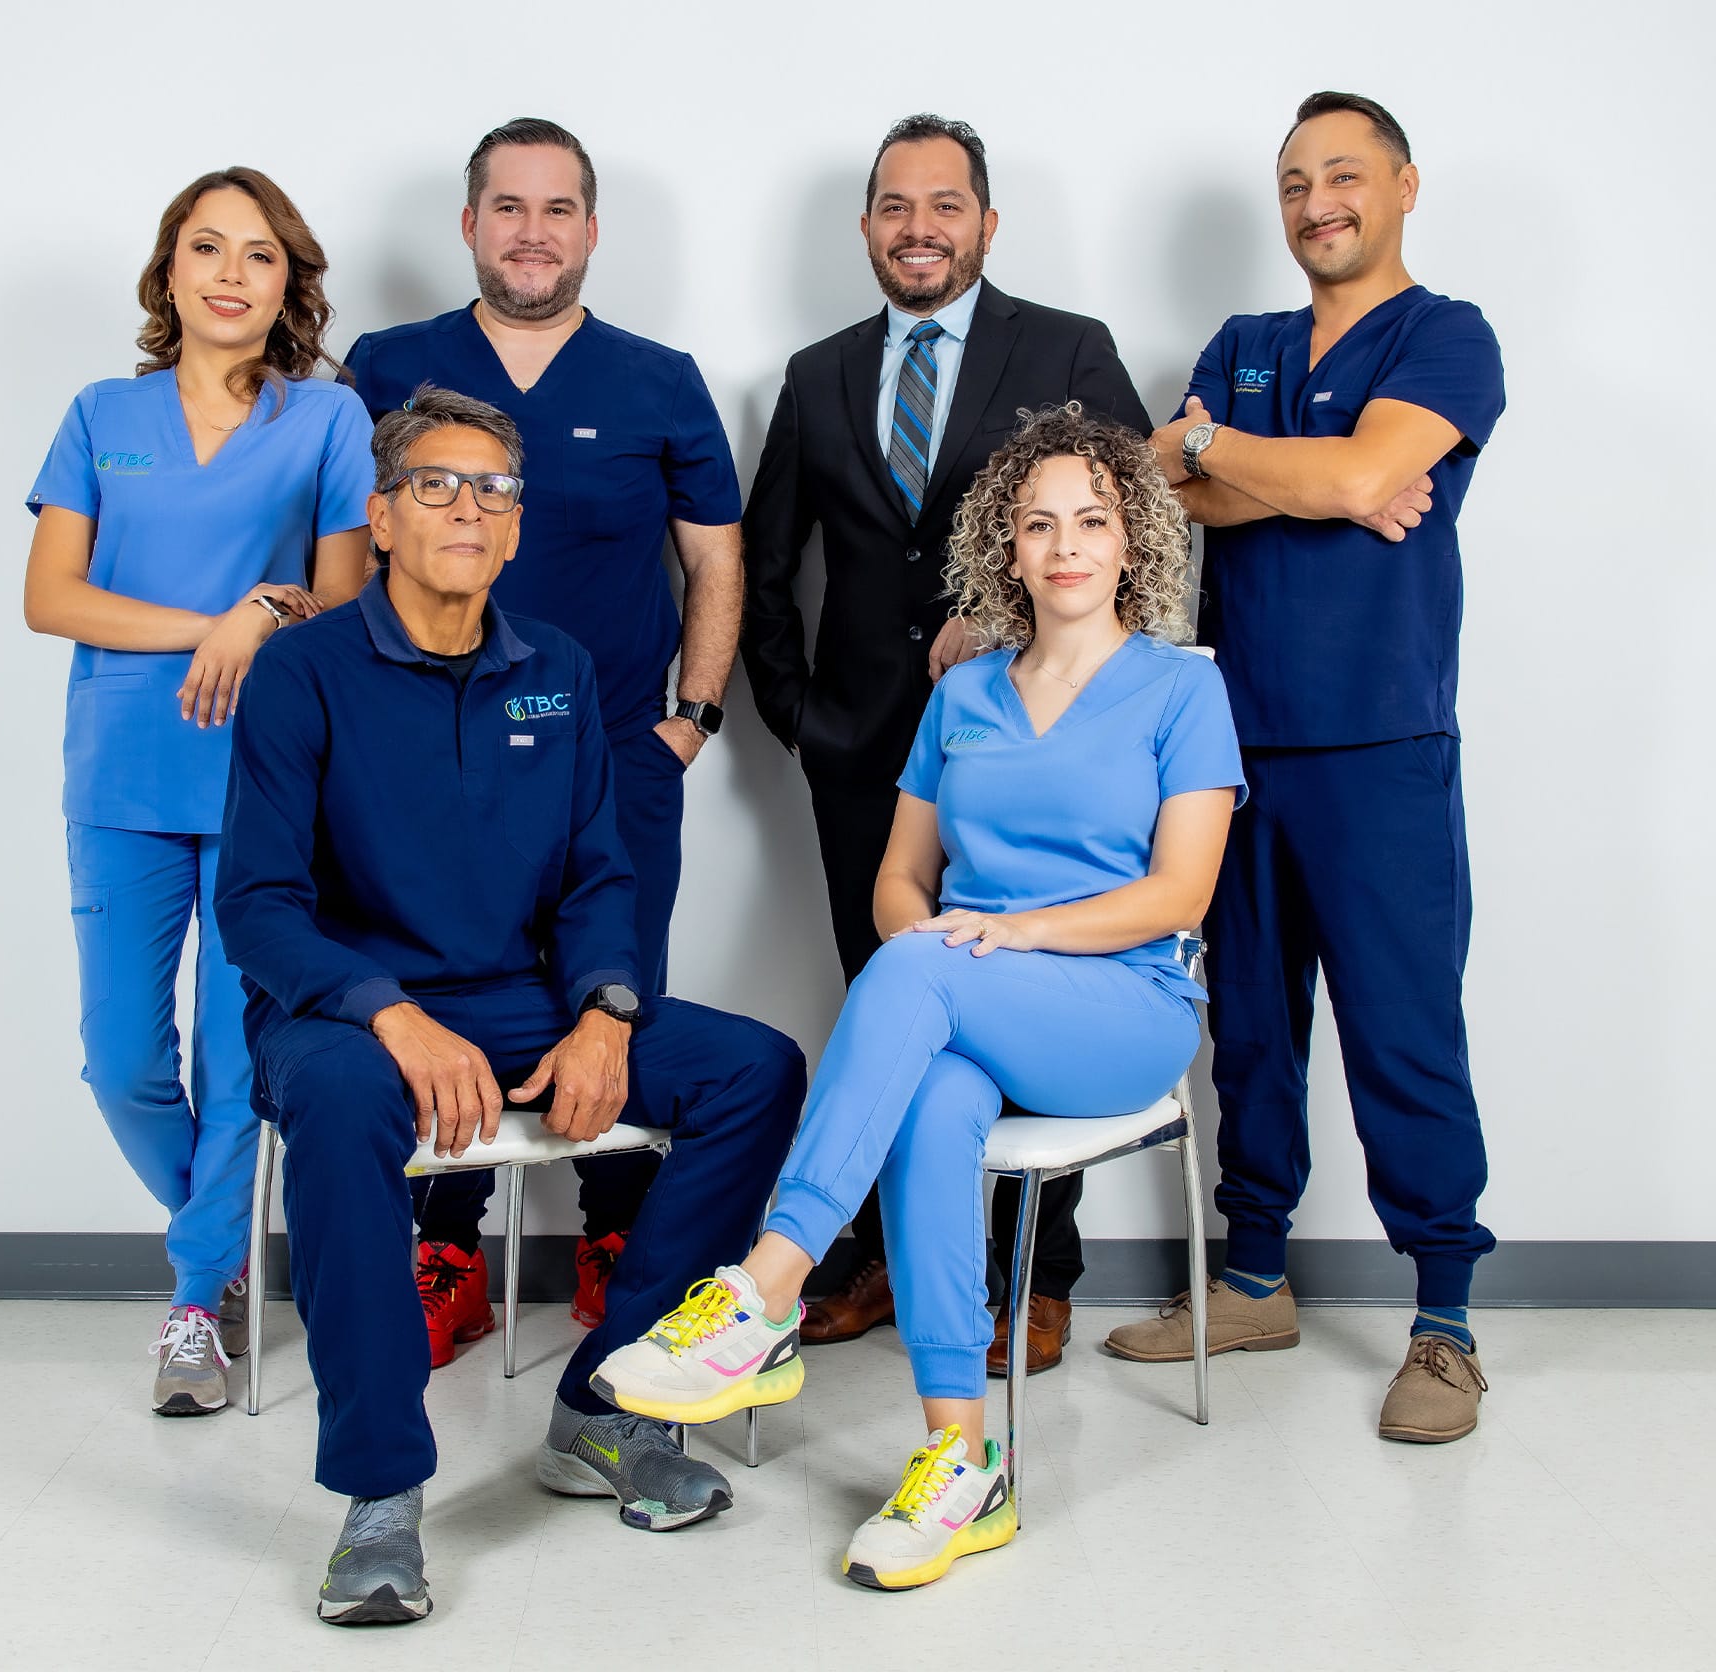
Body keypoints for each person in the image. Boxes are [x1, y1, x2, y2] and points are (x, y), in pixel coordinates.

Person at [595, 405, 1244, 1591]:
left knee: (917, 972)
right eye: (1037, 523)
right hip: (972, 996)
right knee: (933, 1100)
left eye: (1090, 522)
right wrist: (936, 944)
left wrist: (1000, 936)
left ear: (1130, 542)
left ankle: (764, 1291)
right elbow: (900, 881)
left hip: (1119, 1007)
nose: (1063, 546)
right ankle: (961, 1461)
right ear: (1004, 544)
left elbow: (1177, 891)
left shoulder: (1178, 690)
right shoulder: (966, 694)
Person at [215, 386, 805, 1626]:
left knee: (752, 1068)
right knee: (328, 1098)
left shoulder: (560, 668)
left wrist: (603, 1007)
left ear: (519, 526)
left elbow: (600, 873)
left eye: (494, 488)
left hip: (524, 1002)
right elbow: (259, 907)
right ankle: (379, 1496)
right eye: (436, 484)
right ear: (379, 516)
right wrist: (388, 1012)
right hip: (345, 1016)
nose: (469, 508)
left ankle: (604, 1407)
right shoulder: (302, 673)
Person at [1105, 92, 1506, 1446]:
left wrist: (1240, 456)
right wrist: (1309, 472)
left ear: (1401, 185)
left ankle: (1444, 1322)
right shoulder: (1246, 342)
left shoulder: (1447, 336)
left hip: (1381, 746)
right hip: (1231, 745)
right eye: (1293, 181)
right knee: (1254, 1033)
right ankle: (1254, 1278)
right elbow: (1167, 487)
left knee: (1404, 1030)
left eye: (1343, 174)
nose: (1316, 200)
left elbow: (1289, 474)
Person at [741, 114, 1153, 1373]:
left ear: (984, 222)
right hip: (864, 748)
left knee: (1027, 992)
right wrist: (799, 719)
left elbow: (1138, 515)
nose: (918, 228)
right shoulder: (816, 375)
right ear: (867, 226)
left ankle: (1035, 1275)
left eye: (943, 205)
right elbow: (764, 564)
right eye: (893, 206)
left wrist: (1011, 611)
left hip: (1035, 742)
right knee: (882, 989)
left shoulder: (1065, 347)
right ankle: (878, 1259)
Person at [346, 119, 744, 1353]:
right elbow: (337, 541)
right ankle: (447, 1248)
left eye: (557, 208)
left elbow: (714, 563)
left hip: (613, 757)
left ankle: (614, 1242)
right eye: (506, 207)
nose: (531, 231)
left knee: (610, 992)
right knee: (445, 983)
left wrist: (688, 723)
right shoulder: (385, 363)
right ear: (468, 225)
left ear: (589, 228)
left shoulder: (658, 378)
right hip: (427, 751)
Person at [22, 167, 372, 1416]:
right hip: (118, 771)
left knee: (237, 1064)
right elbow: (49, 596)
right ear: (169, 270)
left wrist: (268, 608)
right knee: (119, 1056)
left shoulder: (329, 420)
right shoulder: (99, 411)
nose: (231, 273)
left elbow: (341, 600)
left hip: (269, 780)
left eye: (259, 254)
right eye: (206, 248)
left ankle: (189, 1309)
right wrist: (212, 624)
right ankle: (213, 1243)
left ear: (290, 284)